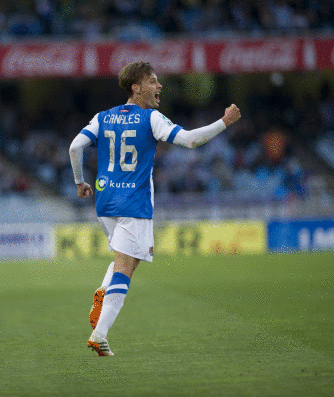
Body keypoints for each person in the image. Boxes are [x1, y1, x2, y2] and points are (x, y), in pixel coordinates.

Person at [69, 61, 241, 356]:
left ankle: (103, 293)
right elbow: (190, 140)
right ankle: (100, 333)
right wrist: (223, 122)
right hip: (134, 204)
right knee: (125, 269)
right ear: (135, 88)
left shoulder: (103, 117)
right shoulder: (150, 118)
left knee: (127, 261)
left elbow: (74, 147)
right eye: (152, 81)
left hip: (105, 203)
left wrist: (79, 182)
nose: (159, 86)